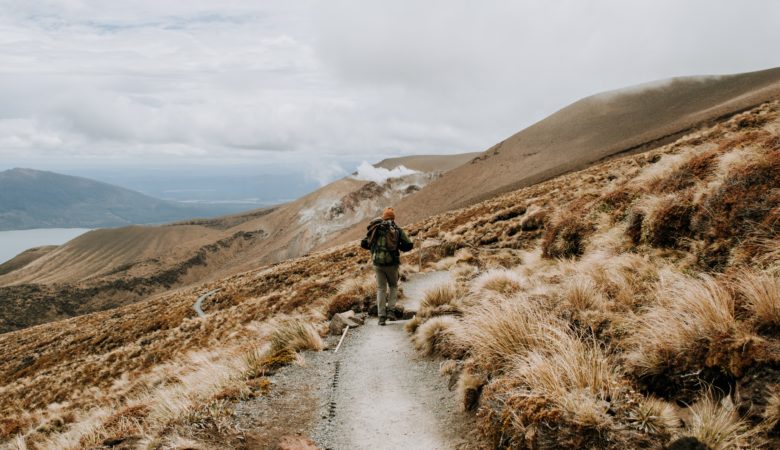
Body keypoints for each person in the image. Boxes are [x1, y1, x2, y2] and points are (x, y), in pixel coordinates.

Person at [360, 207, 414, 325]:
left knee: (381, 289)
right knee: (393, 286)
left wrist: (374, 248)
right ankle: (390, 311)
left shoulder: (375, 228)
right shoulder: (397, 229)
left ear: (384, 217)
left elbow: (363, 243)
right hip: (392, 264)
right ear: (393, 218)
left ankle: (381, 317)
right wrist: (398, 246)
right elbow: (409, 245)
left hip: (378, 264)